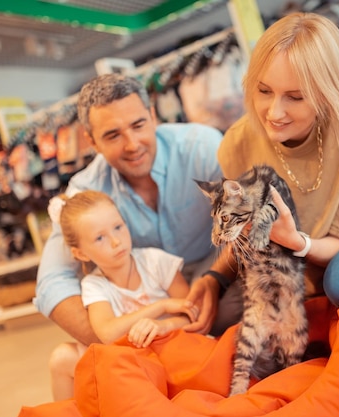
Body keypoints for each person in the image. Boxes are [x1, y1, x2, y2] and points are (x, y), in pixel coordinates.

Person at [185, 12, 339, 333]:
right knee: (222, 322)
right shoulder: (236, 144)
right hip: (299, 263)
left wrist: (297, 242)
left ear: (326, 94)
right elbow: (245, 231)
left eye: (295, 97)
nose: (274, 112)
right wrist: (214, 279)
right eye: (264, 91)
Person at [35, 73, 235, 346]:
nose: (132, 145)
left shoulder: (202, 148)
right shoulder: (85, 191)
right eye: (113, 135)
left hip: (219, 271)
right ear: (92, 142)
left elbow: (251, 222)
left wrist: (215, 278)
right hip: (149, 307)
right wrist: (129, 347)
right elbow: (52, 281)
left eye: (138, 125)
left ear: (153, 116)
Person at [47, 190, 198, 400]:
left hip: (171, 353)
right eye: (100, 238)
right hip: (131, 364)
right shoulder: (94, 284)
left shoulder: (155, 262)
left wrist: (164, 325)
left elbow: (192, 313)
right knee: (61, 357)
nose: (116, 242)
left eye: (118, 227)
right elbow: (108, 333)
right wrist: (161, 307)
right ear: (80, 253)